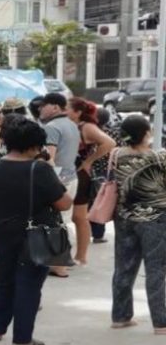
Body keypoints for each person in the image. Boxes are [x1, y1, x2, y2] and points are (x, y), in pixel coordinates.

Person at [0, 117, 72, 345]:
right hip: (35, 234)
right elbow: (64, 204)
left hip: (1, 231)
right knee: (29, 285)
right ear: (34, 145)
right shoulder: (40, 169)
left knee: (5, 280)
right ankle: (22, 338)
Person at [110, 115, 166, 334]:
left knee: (124, 266)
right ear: (145, 134)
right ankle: (160, 321)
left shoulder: (117, 155)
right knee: (156, 268)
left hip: (124, 217)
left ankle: (120, 316)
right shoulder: (158, 158)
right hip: (154, 219)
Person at [66, 97, 115, 266]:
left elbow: (109, 143)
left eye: (68, 108)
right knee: (73, 217)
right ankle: (77, 256)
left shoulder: (86, 127)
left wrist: (88, 161)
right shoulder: (72, 125)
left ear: (78, 112)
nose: (65, 111)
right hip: (70, 172)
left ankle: (81, 256)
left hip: (81, 174)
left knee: (79, 217)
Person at [40, 93, 80, 278]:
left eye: (44, 105)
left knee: (57, 223)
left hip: (57, 180)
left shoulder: (52, 127)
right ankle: (64, 260)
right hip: (71, 177)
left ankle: (59, 265)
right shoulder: (72, 125)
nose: (40, 109)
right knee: (66, 220)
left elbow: (49, 158)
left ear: (55, 107)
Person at [91, 108, 123, 243]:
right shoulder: (114, 134)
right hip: (109, 172)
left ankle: (93, 232)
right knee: (104, 201)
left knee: (91, 202)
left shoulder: (90, 134)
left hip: (91, 171)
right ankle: (99, 235)